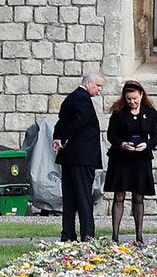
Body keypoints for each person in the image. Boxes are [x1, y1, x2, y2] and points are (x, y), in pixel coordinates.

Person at [103, 80, 157, 244]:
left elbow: (155, 137)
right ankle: (115, 236)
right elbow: (111, 135)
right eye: (128, 99)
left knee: (138, 197)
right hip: (121, 158)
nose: (132, 102)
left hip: (141, 159)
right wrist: (121, 144)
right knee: (119, 195)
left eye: (134, 98)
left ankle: (139, 237)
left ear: (141, 95)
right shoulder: (119, 112)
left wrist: (147, 145)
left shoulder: (150, 113)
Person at [52, 71, 104, 242]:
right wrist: (64, 141)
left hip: (69, 158)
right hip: (81, 158)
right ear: (88, 83)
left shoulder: (71, 98)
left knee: (69, 197)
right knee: (83, 197)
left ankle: (68, 234)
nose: (99, 89)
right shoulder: (83, 99)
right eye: (98, 85)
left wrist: (58, 139)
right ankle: (87, 234)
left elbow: (61, 121)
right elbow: (77, 123)